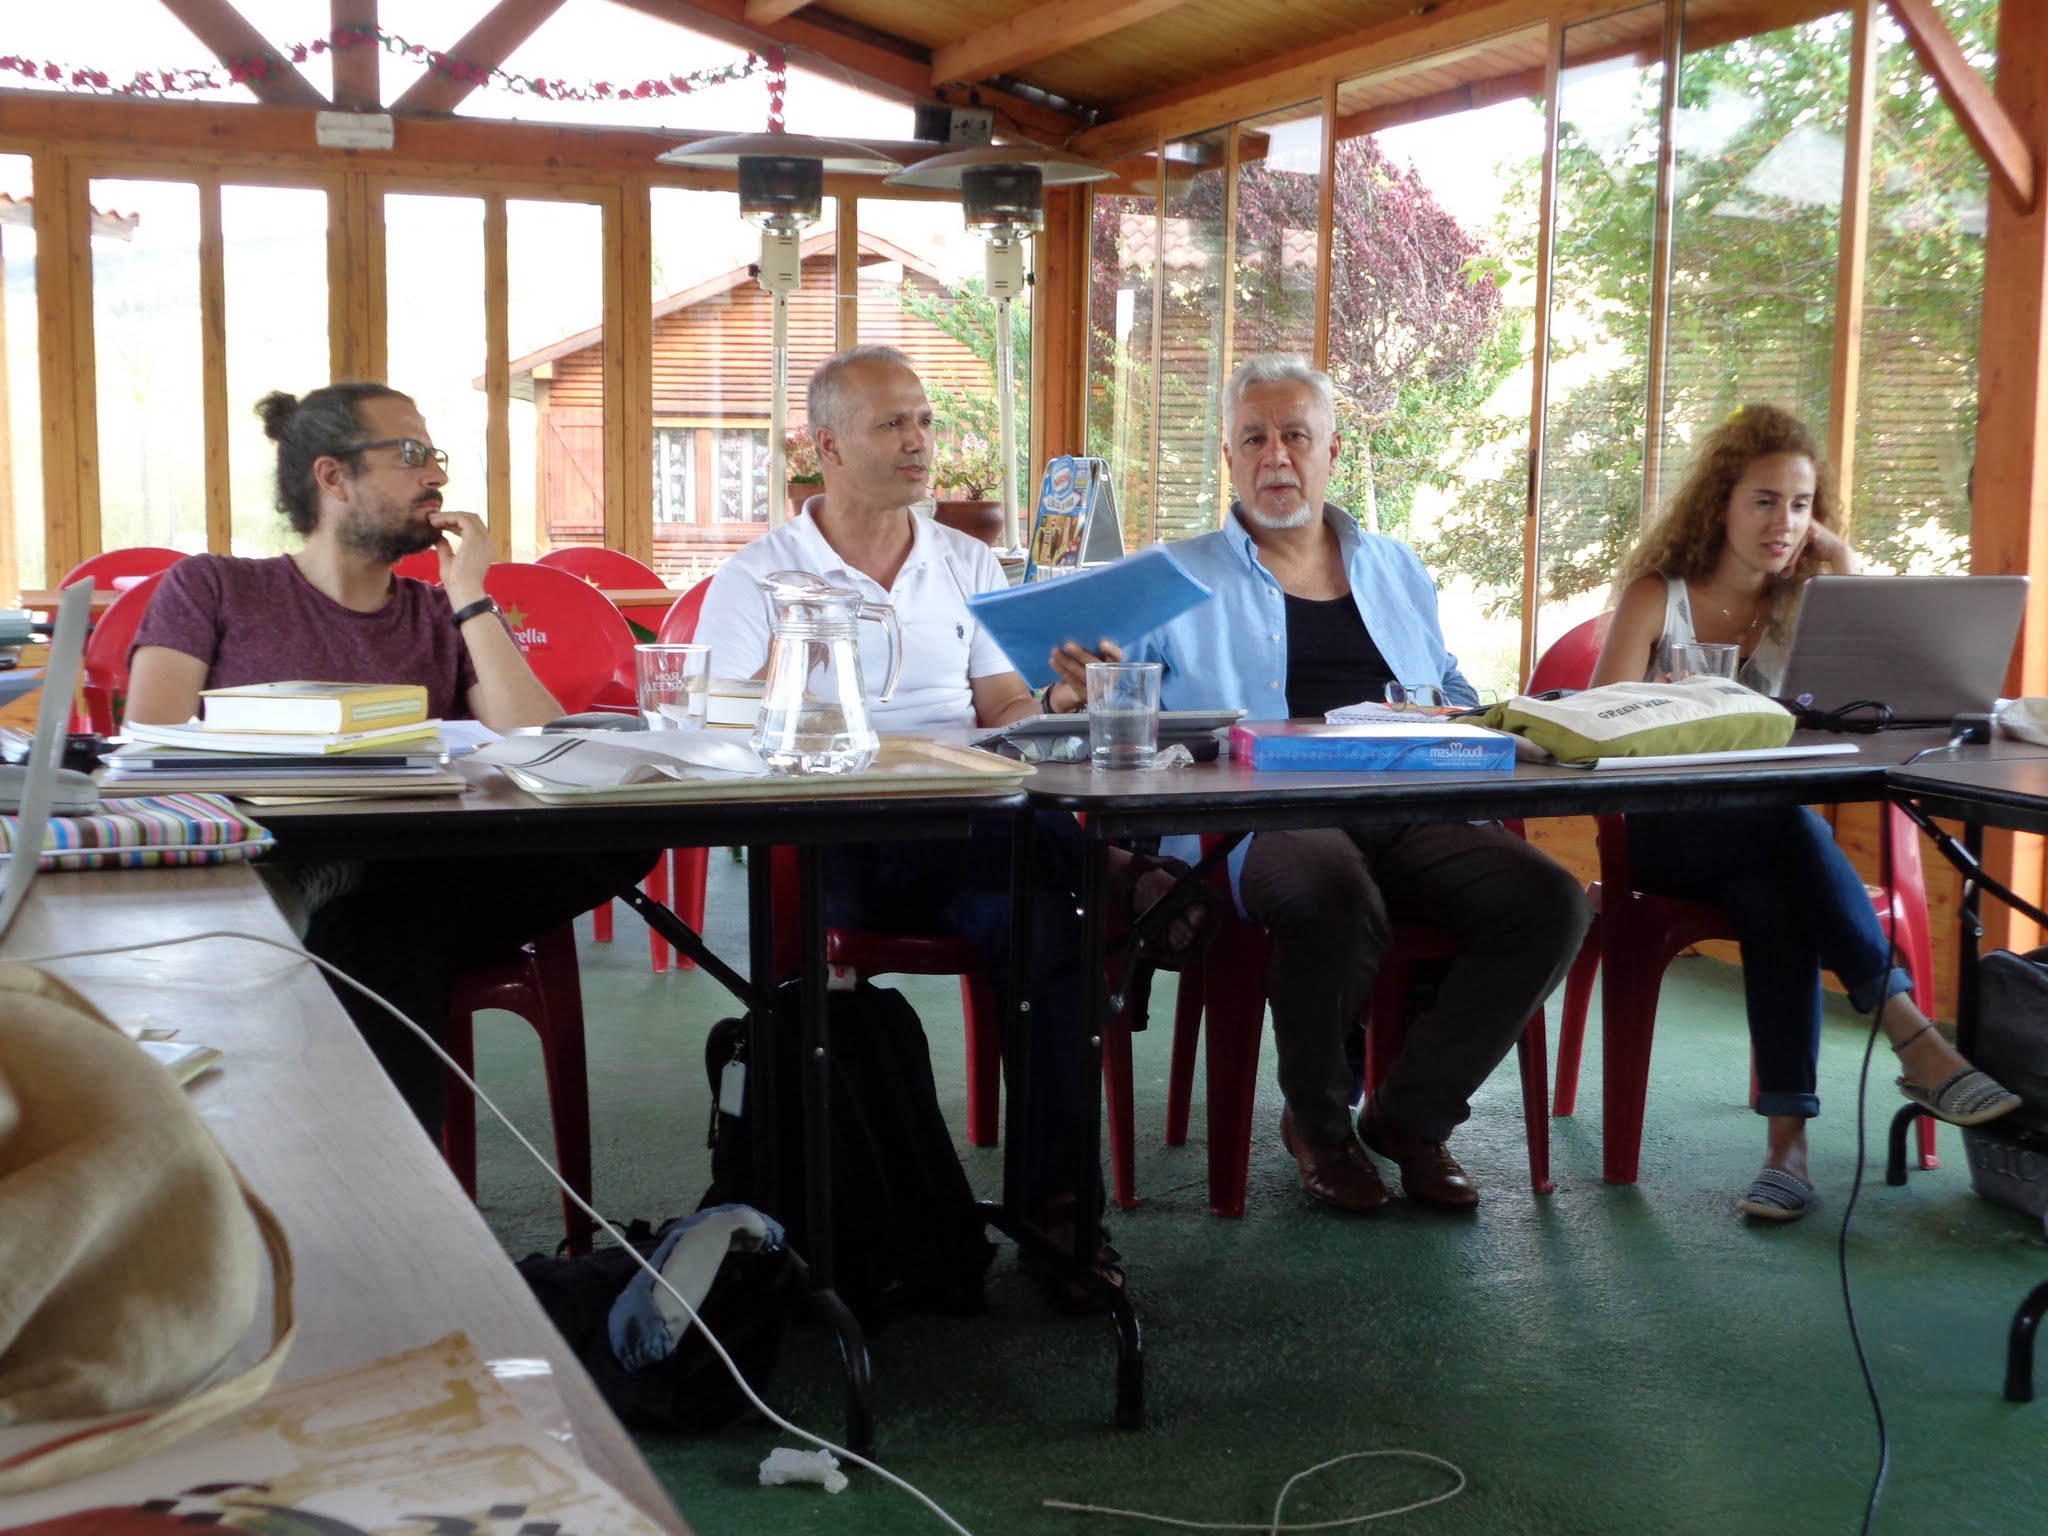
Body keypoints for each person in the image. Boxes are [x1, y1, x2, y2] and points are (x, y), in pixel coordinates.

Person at [694, 345, 1206, 1304]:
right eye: (893, 423)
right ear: (826, 446)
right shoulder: (760, 578)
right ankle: (1117, 874)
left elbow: (1003, 711)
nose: (919, 442)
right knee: (1055, 883)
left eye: (925, 421)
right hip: (841, 838)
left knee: (1050, 933)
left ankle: (1060, 1212)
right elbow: (720, 736)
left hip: (975, 834)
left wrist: (1059, 698)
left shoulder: (965, 563)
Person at [1052, 353, 1591, 1214]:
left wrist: (1484, 718)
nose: (1276, 456)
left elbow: (1446, 686)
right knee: (1330, 890)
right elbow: (1085, 695)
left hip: (1407, 804)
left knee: (1548, 901)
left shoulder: (1395, 565)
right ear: (1229, 457)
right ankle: (1320, 1124)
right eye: (1254, 438)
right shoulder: (1171, 576)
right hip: (1257, 816)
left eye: (1296, 436)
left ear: (1332, 451)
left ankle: (1410, 1118)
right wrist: (1071, 689)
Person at [126, 382, 655, 1135]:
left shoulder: (439, 614)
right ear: (333, 476)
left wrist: (470, 594)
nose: (435, 475)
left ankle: (337, 889)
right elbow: (151, 741)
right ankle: (391, 1174)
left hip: (413, 859)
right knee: (386, 936)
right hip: (263, 852)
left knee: (626, 830)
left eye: (435, 456)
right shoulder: (214, 586)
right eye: (410, 455)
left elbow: (539, 738)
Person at [1591, 402, 2020, 1221]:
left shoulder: (1808, 606)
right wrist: (1664, 703)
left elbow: (1886, 706)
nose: (1782, 523)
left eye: (1799, 504)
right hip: (1661, 833)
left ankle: (1787, 1154)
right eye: (1762, 501)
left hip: (1762, 844)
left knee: (1772, 890)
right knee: (1790, 830)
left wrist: (1846, 565)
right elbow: (1594, 724)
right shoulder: (1659, 595)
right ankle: (1909, 1031)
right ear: (1718, 503)